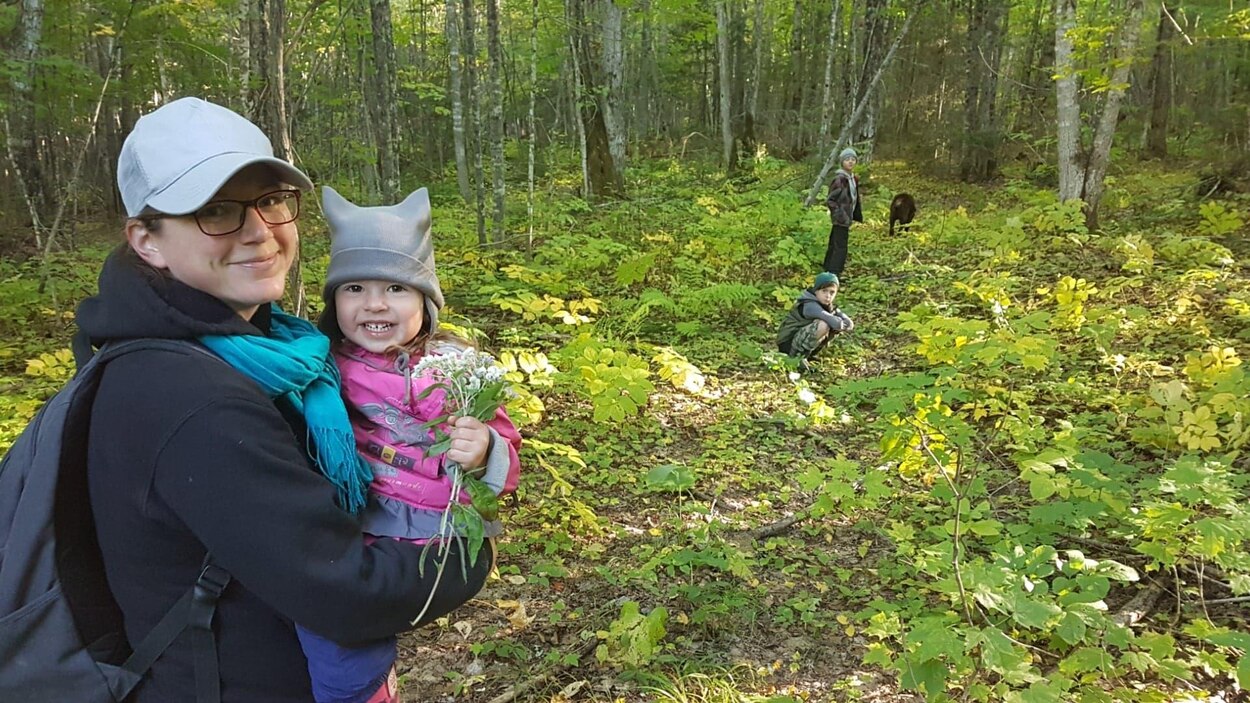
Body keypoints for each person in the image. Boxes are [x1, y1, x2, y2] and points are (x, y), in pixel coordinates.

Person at [75, 97, 492, 702]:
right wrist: (469, 550)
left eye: (270, 199)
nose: (259, 231)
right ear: (147, 240)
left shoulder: (266, 348)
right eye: (216, 211)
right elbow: (346, 590)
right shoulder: (190, 395)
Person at [296, 186, 523, 703]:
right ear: (334, 302)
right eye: (354, 287)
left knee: (342, 628)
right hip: (360, 522)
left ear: (425, 299)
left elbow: (505, 456)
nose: (374, 304)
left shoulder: (450, 370)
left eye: (395, 289)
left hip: (434, 531)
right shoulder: (322, 367)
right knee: (327, 629)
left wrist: (485, 447)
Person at [777, 272, 854, 369]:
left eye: (832, 292)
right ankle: (797, 358)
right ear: (816, 290)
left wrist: (843, 322)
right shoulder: (809, 305)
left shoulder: (827, 305)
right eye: (824, 291)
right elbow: (836, 323)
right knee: (824, 325)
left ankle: (807, 355)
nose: (828, 296)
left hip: (799, 340)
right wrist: (840, 323)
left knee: (831, 326)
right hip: (788, 343)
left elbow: (848, 322)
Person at [823, 147, 863, 277]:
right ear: (842, 162)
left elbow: (853, 199)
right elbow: (831, 200)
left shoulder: (852, 179)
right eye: (847, 159)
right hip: (841, 218)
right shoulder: (840, 179)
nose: (850, 162)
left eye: (853, 159)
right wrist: (840, 215)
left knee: (834, 242)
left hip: (846, 217)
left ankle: (828, 268)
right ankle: (835, 274)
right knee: (841, 247)